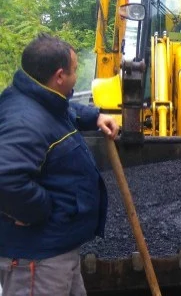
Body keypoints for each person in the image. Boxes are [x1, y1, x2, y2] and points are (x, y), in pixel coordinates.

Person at [0, 34, 119, 295]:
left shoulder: (40, 99)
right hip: (36, 260)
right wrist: (40, 211)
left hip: (58, 248)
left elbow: (61, 111)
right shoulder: (24, 121)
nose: (77, 76)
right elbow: (6, 178)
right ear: (59, 76)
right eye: (75, 71)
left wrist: (95, 116)